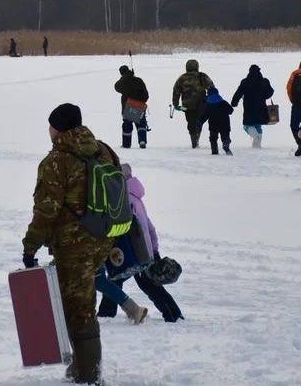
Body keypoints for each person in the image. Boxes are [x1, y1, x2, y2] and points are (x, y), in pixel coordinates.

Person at [21, 103, 119, 385]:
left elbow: (46, 210)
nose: (49, 130)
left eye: (51, 126)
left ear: (58, 128)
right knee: (79, 300)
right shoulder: (103, 150)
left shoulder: (57, 160)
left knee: (79, 307)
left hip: (75, 245)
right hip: (103, 237)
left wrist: (30, 246)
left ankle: (88, 376)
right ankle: (81, 367)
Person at [97, 164, 182, 323]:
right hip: (144, 250)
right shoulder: (135, 197)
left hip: (134, 251)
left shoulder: (123, 199)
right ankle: (174, 314)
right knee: (140, 283)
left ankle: (106, 314)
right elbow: (150, 227)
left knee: (122, 279)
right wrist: (154, 250)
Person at [231, 65, 275, 148]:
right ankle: (257, 145)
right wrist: (264, 96)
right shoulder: (264, 81)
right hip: (261, 107)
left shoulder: (245, 82)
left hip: (249, 107)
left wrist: (234, 102)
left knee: (247, 125)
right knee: (258, 124)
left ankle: (255, 138)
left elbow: (238, 93)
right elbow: (270, 92)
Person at [172, 60, 214, 147]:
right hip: (201, 104)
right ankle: (196, 139)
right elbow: (212, 87)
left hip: (187, 106)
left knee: (191, 122)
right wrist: (212, 100)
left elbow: (176, 91)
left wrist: (175, 103)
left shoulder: (182, 78)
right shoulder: (202, 76)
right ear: (197, 66)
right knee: (199, 122)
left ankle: (194, 141)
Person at [114, 66, 150, 149]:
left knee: (127, 125)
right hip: (139, 105)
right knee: (141, 124)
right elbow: (146, 95)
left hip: (127, 106)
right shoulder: (139, 80)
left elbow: (116, 87)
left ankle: (126, 144)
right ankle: (142, 141)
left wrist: (124, 77)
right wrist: (142, 101)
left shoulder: (123, 82)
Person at [203, 88, 234, 154]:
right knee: (225, 136)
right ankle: (226, 145)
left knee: (213, 138)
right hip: (224, 123)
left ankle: (214, 152)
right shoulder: (223, 102)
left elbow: (204, 116)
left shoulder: (208, 104)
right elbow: (231, 110)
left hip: (213, 124)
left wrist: (200, 122)